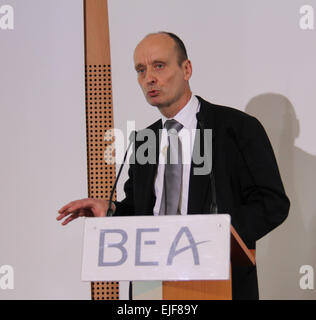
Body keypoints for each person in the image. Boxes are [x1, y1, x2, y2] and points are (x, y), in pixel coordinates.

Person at [57, 32, 290, 300]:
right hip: (151, 283)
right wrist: (110, 210)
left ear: (186, 69)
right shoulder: (145, 139)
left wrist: (214, 239)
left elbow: (271, 203)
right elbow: (140, 211)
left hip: (217, 279)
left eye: (159, 65)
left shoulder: (236, 128)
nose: (149, 78)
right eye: (140, 70)